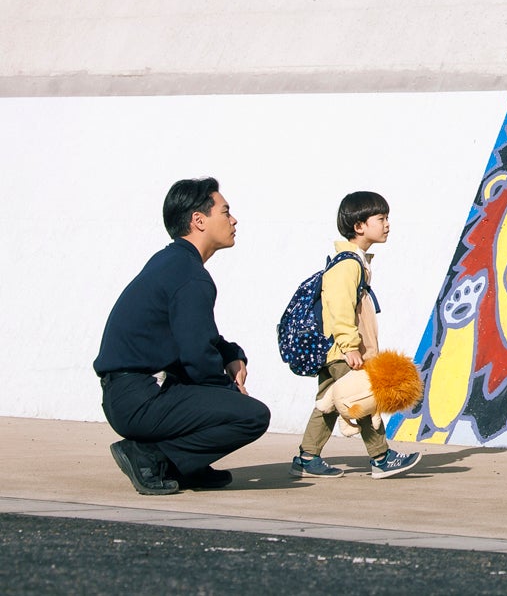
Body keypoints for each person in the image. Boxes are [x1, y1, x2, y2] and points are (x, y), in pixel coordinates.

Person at [94, 178, 271, 494]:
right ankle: (150, 457)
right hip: (139, 399)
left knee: (220, 396)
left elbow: (198, 337)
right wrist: (229, 391)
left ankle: (186, 466)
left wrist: (230, 354)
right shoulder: (190, 276)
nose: (233, 220)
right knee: (253, 416)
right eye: (226, 212)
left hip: (128, 394)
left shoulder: (172, 262)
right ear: (199, 220)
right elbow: (196, 355)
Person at [289, 191, 420, 479]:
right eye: (381, 218)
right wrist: (350, 346)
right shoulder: (348, 263)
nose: (387, 224)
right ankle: (382, 458)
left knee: (329, 401)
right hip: (344, 350)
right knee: (365, 398)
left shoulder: (354, 261)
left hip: (338, 348)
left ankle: (307, 457)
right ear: (359, 226)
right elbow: (340, 306)